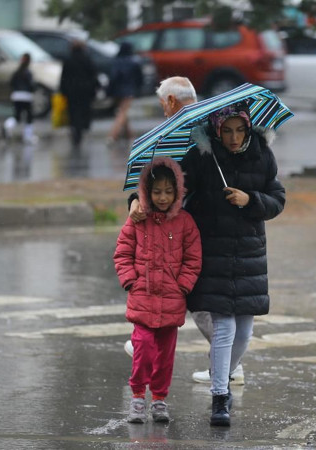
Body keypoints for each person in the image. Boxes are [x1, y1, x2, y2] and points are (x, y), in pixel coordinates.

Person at [123, 77, 247, 386]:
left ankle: (229, 364)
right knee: (193, 296)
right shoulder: (190, 131)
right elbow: (156, 183)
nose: (163, 110)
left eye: (162, 104)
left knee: (199, 298)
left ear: (171, 103)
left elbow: (171, 182)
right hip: (181, 229)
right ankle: (225, 361)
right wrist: (136, 199)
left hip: (196, 231)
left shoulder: (203, 135)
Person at [182, 102, 285, 426]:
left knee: (245, 331)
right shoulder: (201, 156)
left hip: (250, 255)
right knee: (224, 327)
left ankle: (218, 372)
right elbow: (177, 190)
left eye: (239, 130)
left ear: (249, 128)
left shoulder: (262, 154)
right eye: (226, 131)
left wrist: (250, 200)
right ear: (216, 130)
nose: (233, 137)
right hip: (213, 252)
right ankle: (219, 398)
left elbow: (277, 199)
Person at [113, 157, 202, 424]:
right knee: (143, 349)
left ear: (177, 193)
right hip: (143, 299)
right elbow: (122, 253)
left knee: (165, 356)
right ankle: (138, 395)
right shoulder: (138, 220)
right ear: (146, 192)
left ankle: (160, 398)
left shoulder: (185, 222)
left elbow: (193, 259)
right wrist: (131, 281)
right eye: (156, 191)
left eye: (168, 191)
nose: (162, 198)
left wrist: (182, 285)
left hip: (172, 301)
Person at [59, 40, 100, 149]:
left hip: (71, 91)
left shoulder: (68, 60)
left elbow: (64, 77)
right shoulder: (87, 59)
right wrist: (95, 88)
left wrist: (63, 91)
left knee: (73, 112)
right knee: (84, 110)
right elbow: (94, 75)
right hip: (86, 91)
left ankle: (75, 130)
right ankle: (83, 127)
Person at [107, 42, 143, 145]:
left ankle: (130, 135)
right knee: (122, 113)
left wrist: (109, 91)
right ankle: (112, 136)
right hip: (129, 91)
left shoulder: (115, 61)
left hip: (116, 91)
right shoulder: (134, 62)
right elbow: (139, 79)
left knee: (123, 113)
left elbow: (113, 78)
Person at [1, 53, 38, 144]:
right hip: (26, 96)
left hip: (16, 95)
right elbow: (31, 85)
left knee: (17, 116)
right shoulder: (28, 73)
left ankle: (7, 126)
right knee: (29, 117)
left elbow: (11, 83)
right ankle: (28, 137)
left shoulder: (17, 72)